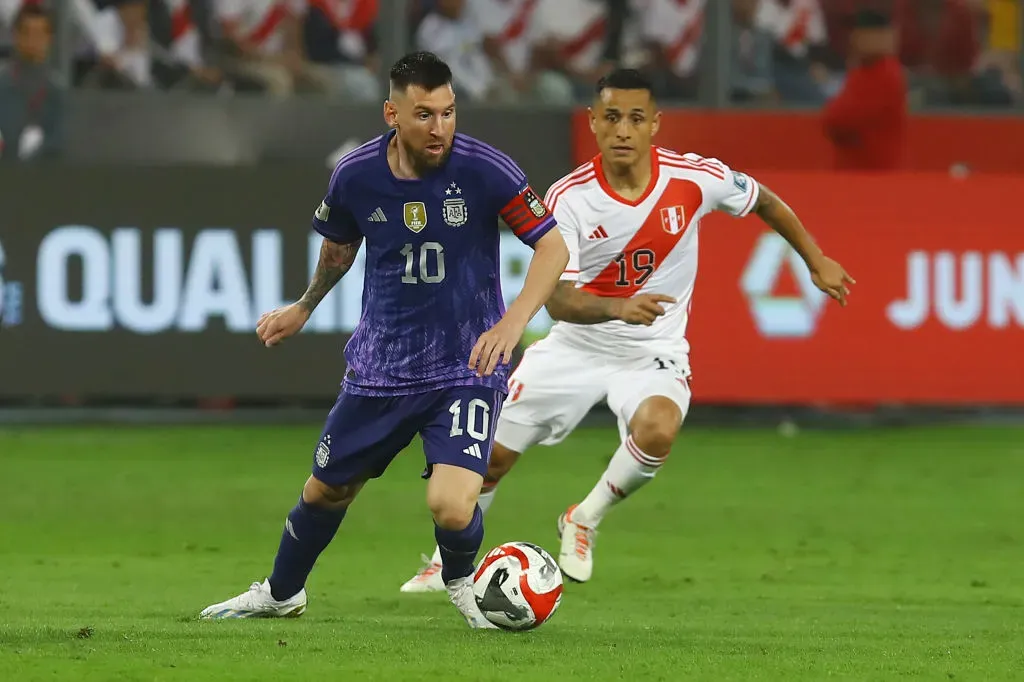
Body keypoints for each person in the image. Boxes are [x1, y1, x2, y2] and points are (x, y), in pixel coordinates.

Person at [400, 68, 854, 591]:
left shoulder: (694, 179)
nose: (622, 130)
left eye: (635, 119)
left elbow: (765, 201)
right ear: (593, 122)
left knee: (659, 428)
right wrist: (618, 308)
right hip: (574, 347)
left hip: (652, 350)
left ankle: (583, 519)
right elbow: (561, 301)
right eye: (611, 117)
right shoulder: (569, 198)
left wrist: (815, 260)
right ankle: (445, 558)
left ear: (655, 125)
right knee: (491, 459)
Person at [199, 51, 569, 627]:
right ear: (392, 113)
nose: (440, 128)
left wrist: (512, 322)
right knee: (325, 493)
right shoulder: (356, 174)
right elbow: (339, 248)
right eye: (425, 115)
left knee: (450, 505)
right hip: (382, 365)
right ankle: (281, 593)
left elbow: (553, 246)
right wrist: (304, 305)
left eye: (448, 113)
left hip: (466, 362)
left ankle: (462, 585)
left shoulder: (485, 169)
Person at [822, 9, 907, 171]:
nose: (854, 38)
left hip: (876, 174)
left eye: (861, 32)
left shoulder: (886, 73)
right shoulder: (861, 71)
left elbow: (840, 119)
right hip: (854, 171)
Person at [0, 4, 64, 162]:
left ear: (50, 38)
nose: (33, 40)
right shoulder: (2, 83)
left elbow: (62, 140)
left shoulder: (58, 91)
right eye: (27, 33)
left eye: (39, 34)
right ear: (15, 36)